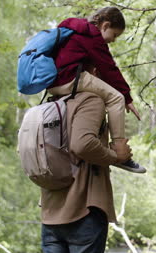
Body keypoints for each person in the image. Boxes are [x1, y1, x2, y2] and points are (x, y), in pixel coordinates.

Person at [48, 6, 145, 173]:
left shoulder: (75, 30)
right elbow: (109, 68)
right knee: (116, 98)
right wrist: (127, 98)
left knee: (106, 92)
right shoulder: (92, 35)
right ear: (105, 25)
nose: (113, 40)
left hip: (54, 82)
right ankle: (119, 150)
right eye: (114, 35)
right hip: (69, 78)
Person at [41, 91, 132, 253]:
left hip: (50, 211)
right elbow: (82, 145)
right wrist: (115, 156)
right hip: (84, 210)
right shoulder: (91, 100)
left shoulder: (53, 103)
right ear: (94, 71)